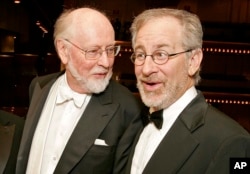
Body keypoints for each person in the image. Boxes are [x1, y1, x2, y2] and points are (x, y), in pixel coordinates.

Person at [16, 7, 142, 174]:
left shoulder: (128, 108)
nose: (106, 62)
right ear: (63, 50)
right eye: (93, 51)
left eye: (110, 50)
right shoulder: (39, 87)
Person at [125, 8, 250, 174]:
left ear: (193, 61)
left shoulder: (231, 142)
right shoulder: (132, 123)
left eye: (161, 54)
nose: (146, 69)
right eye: (140, 55)